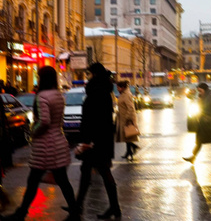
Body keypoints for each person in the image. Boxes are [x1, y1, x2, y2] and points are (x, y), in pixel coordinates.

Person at [0, 66, 79, 221]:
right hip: (58, 141)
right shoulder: (58, 95)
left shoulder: (42, 96)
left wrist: (33, 131)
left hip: (45, 145)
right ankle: (75, 212)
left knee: (34, 180)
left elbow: (44, 121)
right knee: (61, 180)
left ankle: (21, 213)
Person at [74, 63, 121, 219]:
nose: (88, 77)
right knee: (94, 171)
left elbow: (93, 119)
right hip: (102, 139)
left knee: (92, 171)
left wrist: (87, 140)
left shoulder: (97, 91)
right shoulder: (104, 91)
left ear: (94, 74)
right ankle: (113, 208)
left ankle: (78, 207)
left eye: (90, 74)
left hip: (95, 141)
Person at [183, 82, 211, 165]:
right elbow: (201, 109)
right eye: (198, 91)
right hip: (204, 123)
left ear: (205, 90)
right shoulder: (203, 98)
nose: (199, 93)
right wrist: (199, 101)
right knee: (199, 140)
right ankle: (193, 157)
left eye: (200, 91)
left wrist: (210, 117)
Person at [115, 81, 140, 161]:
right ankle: (129, 151)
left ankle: (132, 148)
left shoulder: (126, 95)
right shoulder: (123, 94)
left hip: (126, 119)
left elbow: (131, 108)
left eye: (118, 87)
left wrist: (127, 118)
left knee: (128, 136)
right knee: (126, 137)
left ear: (122, 88)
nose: (117, 89)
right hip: (122, 118)